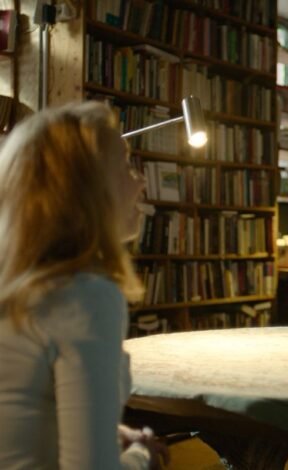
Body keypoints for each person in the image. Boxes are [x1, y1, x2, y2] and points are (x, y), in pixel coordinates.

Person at [0, 102, 168, 469]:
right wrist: (143, 455)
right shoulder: (85, 297)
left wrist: (111, 432)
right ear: (84, 188)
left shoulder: (17, 285)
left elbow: (22, 415)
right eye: (125, 166)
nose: (140, 181)